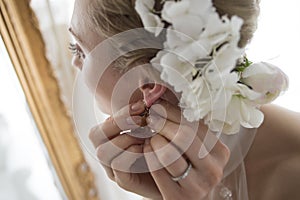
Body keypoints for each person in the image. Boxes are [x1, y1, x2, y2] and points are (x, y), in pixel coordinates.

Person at [69, 0, 300, 199]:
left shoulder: (291, 180)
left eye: (79, 49)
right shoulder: (162, 159)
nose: (74, 64)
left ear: (151, 87)